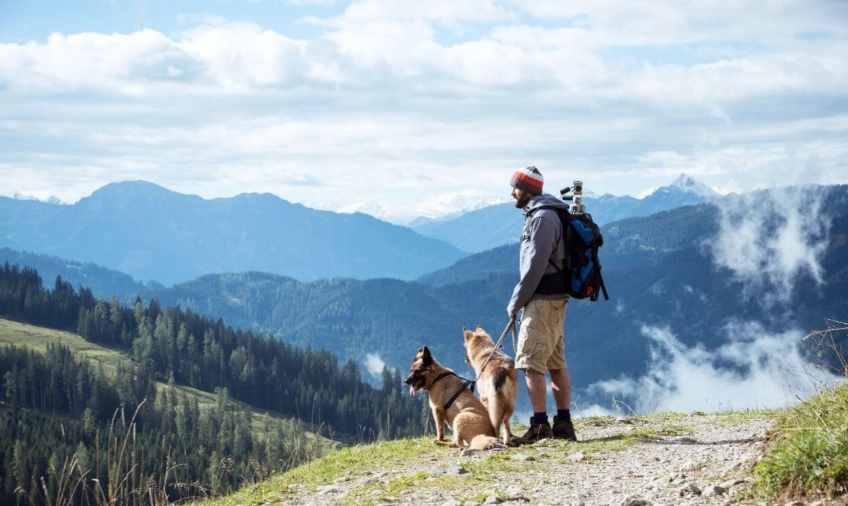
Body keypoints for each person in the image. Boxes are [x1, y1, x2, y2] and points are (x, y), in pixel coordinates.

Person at [506, 165, 577, 444]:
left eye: (515, 187)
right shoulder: (547, 213)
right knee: (555, 362)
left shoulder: (542, 218)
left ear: (527, 189)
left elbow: (535, 266)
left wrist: (516, 301)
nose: (512, 192)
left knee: (531, 363)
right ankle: (563, 424)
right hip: (553, 300)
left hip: (541, 302)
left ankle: (539, 426)